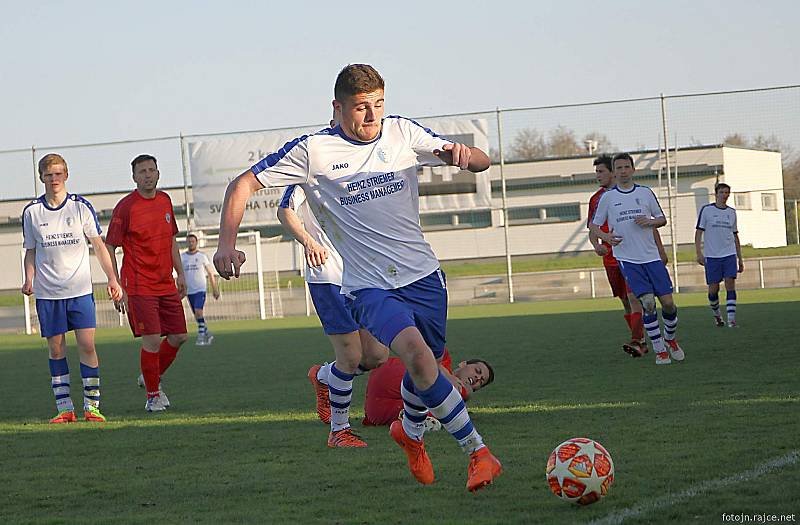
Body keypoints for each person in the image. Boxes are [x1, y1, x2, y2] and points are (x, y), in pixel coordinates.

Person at [214, 64, 502, 492]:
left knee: (425, 368)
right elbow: (242, 185)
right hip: (368, 285)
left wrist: (466, 156)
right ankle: (478, 453)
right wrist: (225, 243)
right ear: (338, 107)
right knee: (419, 359)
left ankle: (411, 432)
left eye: (379, 105)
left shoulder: (402, 133)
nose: (372, 116)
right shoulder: (313, 151)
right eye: (362, 107)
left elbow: (481, 161)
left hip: (423, 276)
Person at [277, 182, 389, 447]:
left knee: (377, 355)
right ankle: (339, 431)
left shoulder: (356, 168)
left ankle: (323, 376)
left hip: (363, 273)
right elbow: (285, 211)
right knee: (350, 357)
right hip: (328, 275)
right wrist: (308, 241)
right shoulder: (306, 173)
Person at [21, 153, 122, 423]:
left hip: (80, 291)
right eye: (48, 174)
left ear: (66, 175)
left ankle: (92, 407)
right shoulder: (32, 212)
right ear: (41, 177)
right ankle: (65, 408)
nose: (53, 179)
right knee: (56, 350)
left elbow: (99, 245)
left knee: (87, 345)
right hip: (48, 293)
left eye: (58, 174)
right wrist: (29, 278)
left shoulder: (80, 207)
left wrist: (112, 278)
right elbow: (30, 251)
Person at [105, 154, 189, 412]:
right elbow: (109, 245)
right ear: (134, 177)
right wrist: (116, 283)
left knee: (179, 336)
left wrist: (181, 273)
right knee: (151, 339)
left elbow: (172, 240)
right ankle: (153, 396)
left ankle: (149, 375)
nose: (148, 175)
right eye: (142, 171)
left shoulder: (165, 200)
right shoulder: (126, 207)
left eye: (151, 170)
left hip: (165, 282)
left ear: (158, 173)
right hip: (139, 285)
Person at [589, 152, 685, 365]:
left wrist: (650, 222)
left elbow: (662, 219)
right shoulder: (607, 198)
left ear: (633, 170)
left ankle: (670, 338)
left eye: (626, 167)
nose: (622, 171)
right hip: (627, 259)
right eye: (619, 168)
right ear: (615, 172)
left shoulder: (645, 193)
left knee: (668, 304)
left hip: (650, 257)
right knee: (647, 303)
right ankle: (659, 350)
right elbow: (594, 225)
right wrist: (605, 238)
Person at [362, 348, 494, 426]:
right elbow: (420, 351)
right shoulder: (443, 356)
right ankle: (416, 417)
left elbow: (462, 394)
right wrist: (447, 375)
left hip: (378, 412)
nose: (477, 378)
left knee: (442, 407)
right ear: (463, 364)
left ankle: (414, 417)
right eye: (477, 371)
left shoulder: (452, 398)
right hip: (390, 376)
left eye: (481, 382)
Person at [695, 182, 744, 327]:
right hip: (712, 256)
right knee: (713, 289)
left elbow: (735, 236)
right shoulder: (707, 210)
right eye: (722, 192)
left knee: (730, 284)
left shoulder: (731, 212)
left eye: (727, 192)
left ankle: (731, 320)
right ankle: (717, 315)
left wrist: (740, 259)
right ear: (716, 194)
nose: (725, 195)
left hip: (729, 254)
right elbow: (698, 232)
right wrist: (699, 252)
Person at [181, 233, 220, 345]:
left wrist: (215, 288)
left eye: (193, 241)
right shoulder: (183, 257)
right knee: (198, 316)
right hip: (189, 291)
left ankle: (201, 337)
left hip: (200, 289)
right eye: (189, 241)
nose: (191, 243)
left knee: (199, 312)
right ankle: (208, 334)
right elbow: (180, 275)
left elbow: (210, 273)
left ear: (196, 242)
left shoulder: (202, 256)